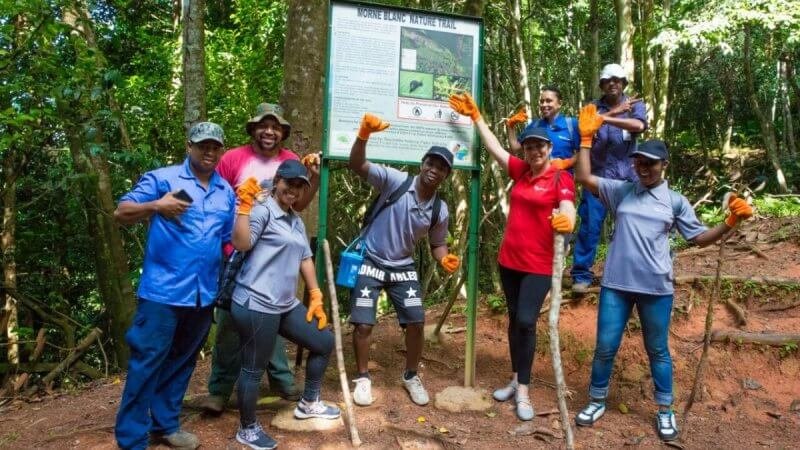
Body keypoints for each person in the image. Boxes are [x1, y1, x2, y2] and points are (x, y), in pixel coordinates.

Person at [572, 104, 754, 441]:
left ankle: (665, 410)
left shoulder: (675, 201)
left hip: (656, 287)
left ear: (663, 166)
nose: (643, 168)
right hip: (616, 284)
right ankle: (596, 399)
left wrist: (730, 222)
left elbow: (699, 239)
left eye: (650, 163)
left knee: (658, 350)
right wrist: (585, 139)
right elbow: (583, 177)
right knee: (605, 347)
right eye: (639, 162)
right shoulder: (621, 190)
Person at [449, 93, 576, 421]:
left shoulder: (560, 177)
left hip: (539, 265)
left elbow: (568, 209)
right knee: (513, 320)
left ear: (549, 149)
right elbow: (495, 148)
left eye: (540, 146)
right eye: (530, 146)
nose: (535, 151)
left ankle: (524, 391)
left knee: (525, 321)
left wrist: (567, 221)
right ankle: (516, 377)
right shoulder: (521, 172)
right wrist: (476, 116)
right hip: (510, 261)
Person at [113, 122, 235, 450]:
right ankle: (131, 439)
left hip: (203, 293)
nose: (209, 152)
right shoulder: (163, 179)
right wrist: (156, 206)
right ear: (189, 147)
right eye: (202, 145)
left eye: (215, 147)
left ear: (221, 150)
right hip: (161, 293)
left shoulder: (226, 192)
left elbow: (228, 242)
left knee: (183, 360)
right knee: (147, 362)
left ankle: (165, 425)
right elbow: (121, 211)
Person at [198, 103, 321, 414]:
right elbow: (216, 195)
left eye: (276, 127)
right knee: (230, 321)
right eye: (264, 126)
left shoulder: (291, 161)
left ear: (283, 132)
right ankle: (220, 390)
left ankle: (282, 379)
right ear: (253, 129)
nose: (270, 131)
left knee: (273, 314)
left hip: (275, 256)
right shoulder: (233, 159)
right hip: (237, 249)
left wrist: (314, 178)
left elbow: (299, 204)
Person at [347, 113, 460, 407]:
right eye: (431, 163)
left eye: (442, 168)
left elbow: (438, 244)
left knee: (417, 322)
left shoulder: (440, 210)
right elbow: (357, 164)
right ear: (422, 164)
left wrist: (445, 259)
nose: (434, 170)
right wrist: (363, 135)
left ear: (447, 175)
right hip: (371, 259)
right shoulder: (396, 181)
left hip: (402, 266)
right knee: (363, 324)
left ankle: (411, 375)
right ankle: (362, 378)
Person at [229, 159, 338, 450]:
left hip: (285, 303)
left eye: (300, 186)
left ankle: (309, 402)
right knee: (254, 367)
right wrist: (243, 206)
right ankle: (247, 428)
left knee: (324, 342)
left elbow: (304, 257)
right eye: (289, 184)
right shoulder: (263, 209)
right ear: (277, 181)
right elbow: (241, 243)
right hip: (256, 302)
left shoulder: (295, 219)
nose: (294, 190)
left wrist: (315, 294)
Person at [571, 63, 648, 294]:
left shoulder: (634, 105)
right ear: (602, 85)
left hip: (628, 179)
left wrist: (605, 119)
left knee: (631, 226)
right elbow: (584, 127)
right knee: (590, 227)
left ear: (623, 83)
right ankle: (581, 276)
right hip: (596, 178)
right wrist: (609, 114)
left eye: (617, 79)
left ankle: (632, 273)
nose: (613, 83)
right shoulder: (592, 108)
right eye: (608, 80)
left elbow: (639, 126)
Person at [506, 85, 580, 163]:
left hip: (565, 174)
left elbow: (584, 152)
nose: (544, 105)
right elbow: (515, 148)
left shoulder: (572, 124)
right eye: (542, 101)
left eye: (548, 101)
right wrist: (511, 125)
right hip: (538, 174)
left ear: (559, 103)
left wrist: (567, 163)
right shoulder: (534, 125)